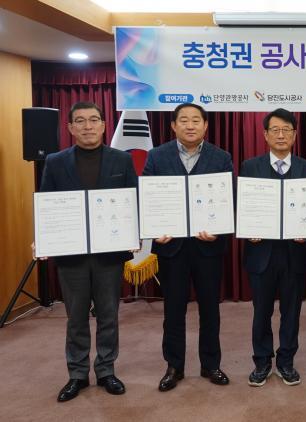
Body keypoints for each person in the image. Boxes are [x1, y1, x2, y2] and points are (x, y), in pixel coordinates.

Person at [37, 101, 137, 401]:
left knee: (108, 315)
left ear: (104, 125)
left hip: (110, 253)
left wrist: (133, 234)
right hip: (72, 255)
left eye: (94, 120)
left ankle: (106, 370)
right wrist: (43, 238)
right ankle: (77, 374)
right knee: (76, 317)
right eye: (80, 121)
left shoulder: (122, 160)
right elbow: (47, 204)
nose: (88, 126)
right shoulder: (55, 162)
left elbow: (133, 201)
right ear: (70, 127)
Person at [142, 103, 233, 391]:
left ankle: (211, 364)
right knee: (173, 310)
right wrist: (154, 230)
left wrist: (219, 231)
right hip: (172, 248)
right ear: (173, 125)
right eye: (184, 120)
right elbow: (148, 200)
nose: (190, 125)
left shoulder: (221, 157)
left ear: (205, 125)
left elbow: (228, 200)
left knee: (210, 309)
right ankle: (174, 366)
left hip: (208, 248)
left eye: (196, 120)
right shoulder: (157, 156)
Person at [241, 108, 306, 387]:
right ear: (265, 134)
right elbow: (243, 206)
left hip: (294, 253)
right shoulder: (250, 167)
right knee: (261, 311)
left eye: (287, 130)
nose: (281, 135)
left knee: (291, 312)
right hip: (261, 253)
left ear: (295, 135)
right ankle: (262, 361)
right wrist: (248, 229)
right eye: (275, 130)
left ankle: (286, 361)